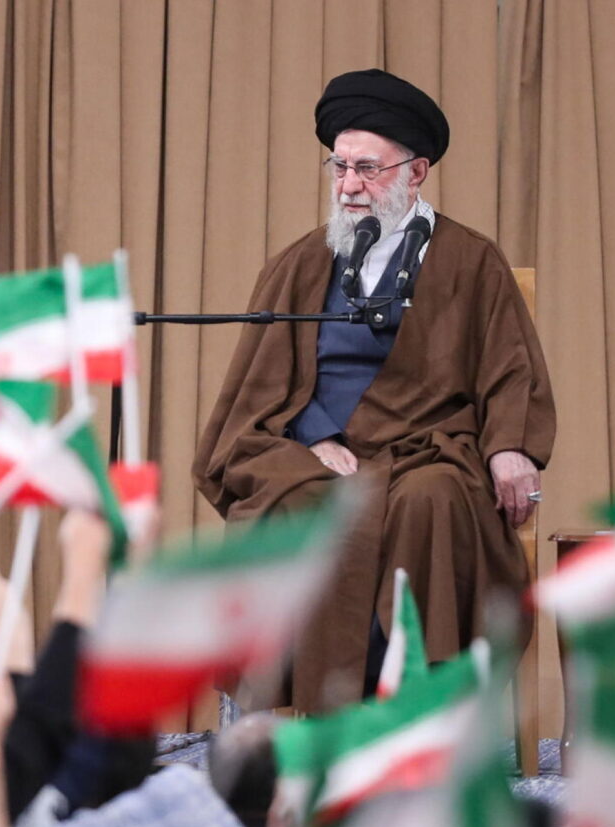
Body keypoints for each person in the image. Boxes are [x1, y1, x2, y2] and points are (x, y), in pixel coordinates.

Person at [194, 68, 556, 712]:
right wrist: (316, 435)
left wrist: (510, 447)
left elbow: (510, 366)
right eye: (339, 168)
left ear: (416, 173)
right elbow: (262, 384)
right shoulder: (301, 263)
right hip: (316, 449)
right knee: (295, 499)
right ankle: (319, 710)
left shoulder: (471, 259)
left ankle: (415, 708)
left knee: (429, 502)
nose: (349, 186)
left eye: (368, 168)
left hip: (427, 449)